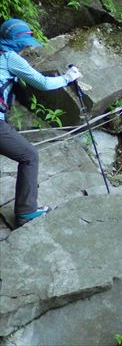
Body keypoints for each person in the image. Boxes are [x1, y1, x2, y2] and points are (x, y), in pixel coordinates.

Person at [0, 18, 82, 227]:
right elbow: (43, 83)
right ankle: (26, 212)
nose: (26, 48)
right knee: (29, 156)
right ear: (16, 41)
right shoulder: (9, 57)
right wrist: (67, 78)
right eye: (24, 44)